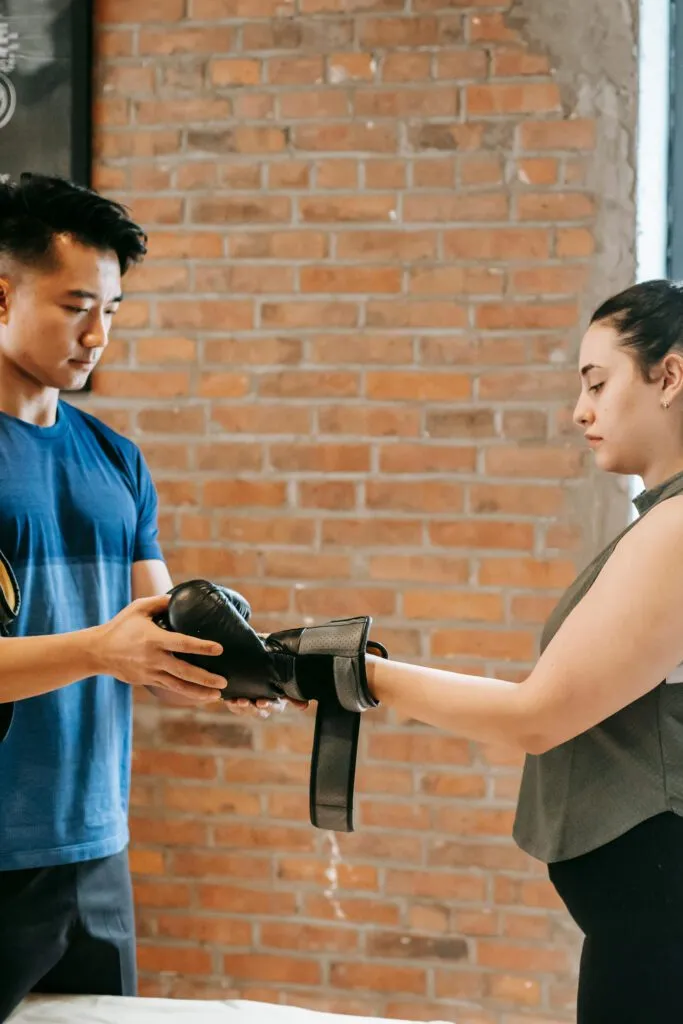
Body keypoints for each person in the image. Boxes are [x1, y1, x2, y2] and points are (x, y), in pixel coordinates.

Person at [209, 279, 683, 1024]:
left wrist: (355, 674)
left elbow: (537, 716)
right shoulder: (661, 521)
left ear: (670, 376)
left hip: (660, 921)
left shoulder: (678, 528)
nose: (579, 411)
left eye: (596, 382)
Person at [0, 172, 290, 1020]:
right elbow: (111, 647)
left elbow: (152, 639)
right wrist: (99, 650)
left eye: (114, 311)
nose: (97, 334)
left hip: (92, 842)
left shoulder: (115, 460)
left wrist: (238, 672)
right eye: (75, 305)